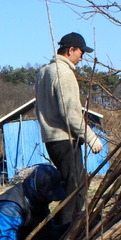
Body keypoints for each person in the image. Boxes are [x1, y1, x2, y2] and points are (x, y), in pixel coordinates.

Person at [35, 31, 105, 224]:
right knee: (76, 188)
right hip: (65, 138)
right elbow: (70, 112)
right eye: (81, 52)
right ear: (70, 50)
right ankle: (65, 231)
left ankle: (61, 224)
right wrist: (91, 138)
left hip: (52, 139)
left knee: (71, 184)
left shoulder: (43, 72)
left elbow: (38, 107)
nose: (82, 57)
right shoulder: (63, 73)